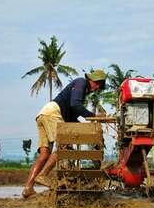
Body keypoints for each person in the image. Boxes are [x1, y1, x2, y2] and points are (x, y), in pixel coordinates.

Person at [22, 69, 107, 198]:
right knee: (64, 147)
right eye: (98, 85)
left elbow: (71, 117)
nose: (96, 89)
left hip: (44, 114)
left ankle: (28, 188)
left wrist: (85, 127)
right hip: (53, 114)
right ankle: (43, 175)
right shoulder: (81, 82)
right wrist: (94, 116)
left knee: (44, 154)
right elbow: (75, 105)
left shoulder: (80, 90)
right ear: (94, 81)